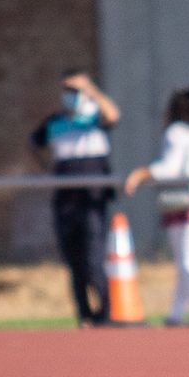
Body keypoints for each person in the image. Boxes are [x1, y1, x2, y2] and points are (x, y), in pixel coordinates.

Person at [124, 88, 189, 327]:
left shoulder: (177, 132)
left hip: (187, 202)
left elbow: (170, 168)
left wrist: (141, 174)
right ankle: (176, 313)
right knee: (188, 260)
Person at [31, 70, 121, 327]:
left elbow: (113, 115)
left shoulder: (95, 117)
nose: (70, 95)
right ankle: (85, 315)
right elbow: (33, 143)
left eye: (75, 90)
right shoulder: (55, 121)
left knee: (94, 256)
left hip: (92, 197)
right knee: (74, 260)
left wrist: (90, 89)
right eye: (67, 90)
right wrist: (46, 166)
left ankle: (106, 314)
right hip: (65, 198)